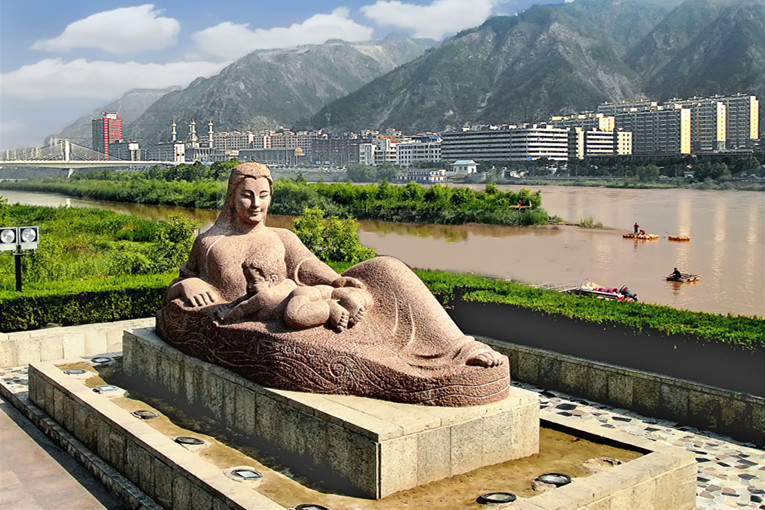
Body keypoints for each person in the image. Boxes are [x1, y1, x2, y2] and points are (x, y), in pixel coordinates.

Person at [160, 162, 506, 387]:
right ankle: (416, 370)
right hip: (284, 313)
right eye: (247, 196)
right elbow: (171, 296)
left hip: (311, 295)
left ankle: (459, 348)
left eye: (263, 196)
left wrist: (338, 282)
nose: (256, 205)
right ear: (232, 198)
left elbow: (308, 268)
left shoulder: (282, 236)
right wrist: (187, 283)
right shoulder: (210, 242)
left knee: (386, 267)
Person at [215, 255, 370, 332]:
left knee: (294, 317)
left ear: (272, 280)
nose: (249, 287)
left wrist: (226, 317)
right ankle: (351, 296)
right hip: (310, 291)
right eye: (247, 281)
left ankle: (329, 308)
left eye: (254, 282)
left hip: (299, 299)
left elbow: (242, 308)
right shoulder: (285, 283)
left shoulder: (262, 298)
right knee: (329, 292)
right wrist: (229, 305)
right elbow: (242, 299)